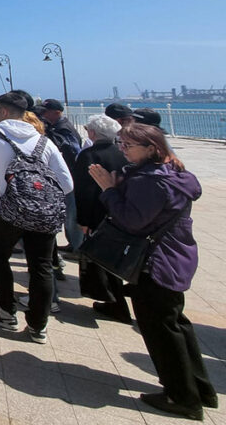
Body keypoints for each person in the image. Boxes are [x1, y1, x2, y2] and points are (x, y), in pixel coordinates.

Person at [89, 124, 216, 420]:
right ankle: (200, 388)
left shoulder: (152, 181)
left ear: (151, 148)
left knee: (160, 330)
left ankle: (182, 397)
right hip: (175, 257)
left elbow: (132, 220)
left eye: (130, 145)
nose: (123, 149)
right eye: (122, 143)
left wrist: (109, 190)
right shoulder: (173, 175)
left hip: (155, 262)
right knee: (176, 324)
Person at [0, 92, 73, 344]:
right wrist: (42, 198)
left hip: (5, 211)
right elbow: (67, 183)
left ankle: (6, 311)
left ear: (3, 112)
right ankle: (38, 325)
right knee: (40, 267)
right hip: (43, 213)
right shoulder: (44, 141)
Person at [72, 114, 131, 322]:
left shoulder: (89, 156)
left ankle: (114, 302)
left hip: (98, 213)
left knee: (102, 259)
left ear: (93, 133)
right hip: (120, 212)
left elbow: (84, 191)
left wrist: (83, 220)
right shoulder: (121, 153)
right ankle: (116, 301)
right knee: (113, 258)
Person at [39, 98, 84, 255]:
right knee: (67, 214)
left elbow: (73, 151)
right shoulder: (55, 127)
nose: (43, 116)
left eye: (46, 112)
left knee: (72, 215)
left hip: (69, 176)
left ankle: (78, 248)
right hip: (58, 176)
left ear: (57, 113)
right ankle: (72, 243)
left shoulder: (64, 128)